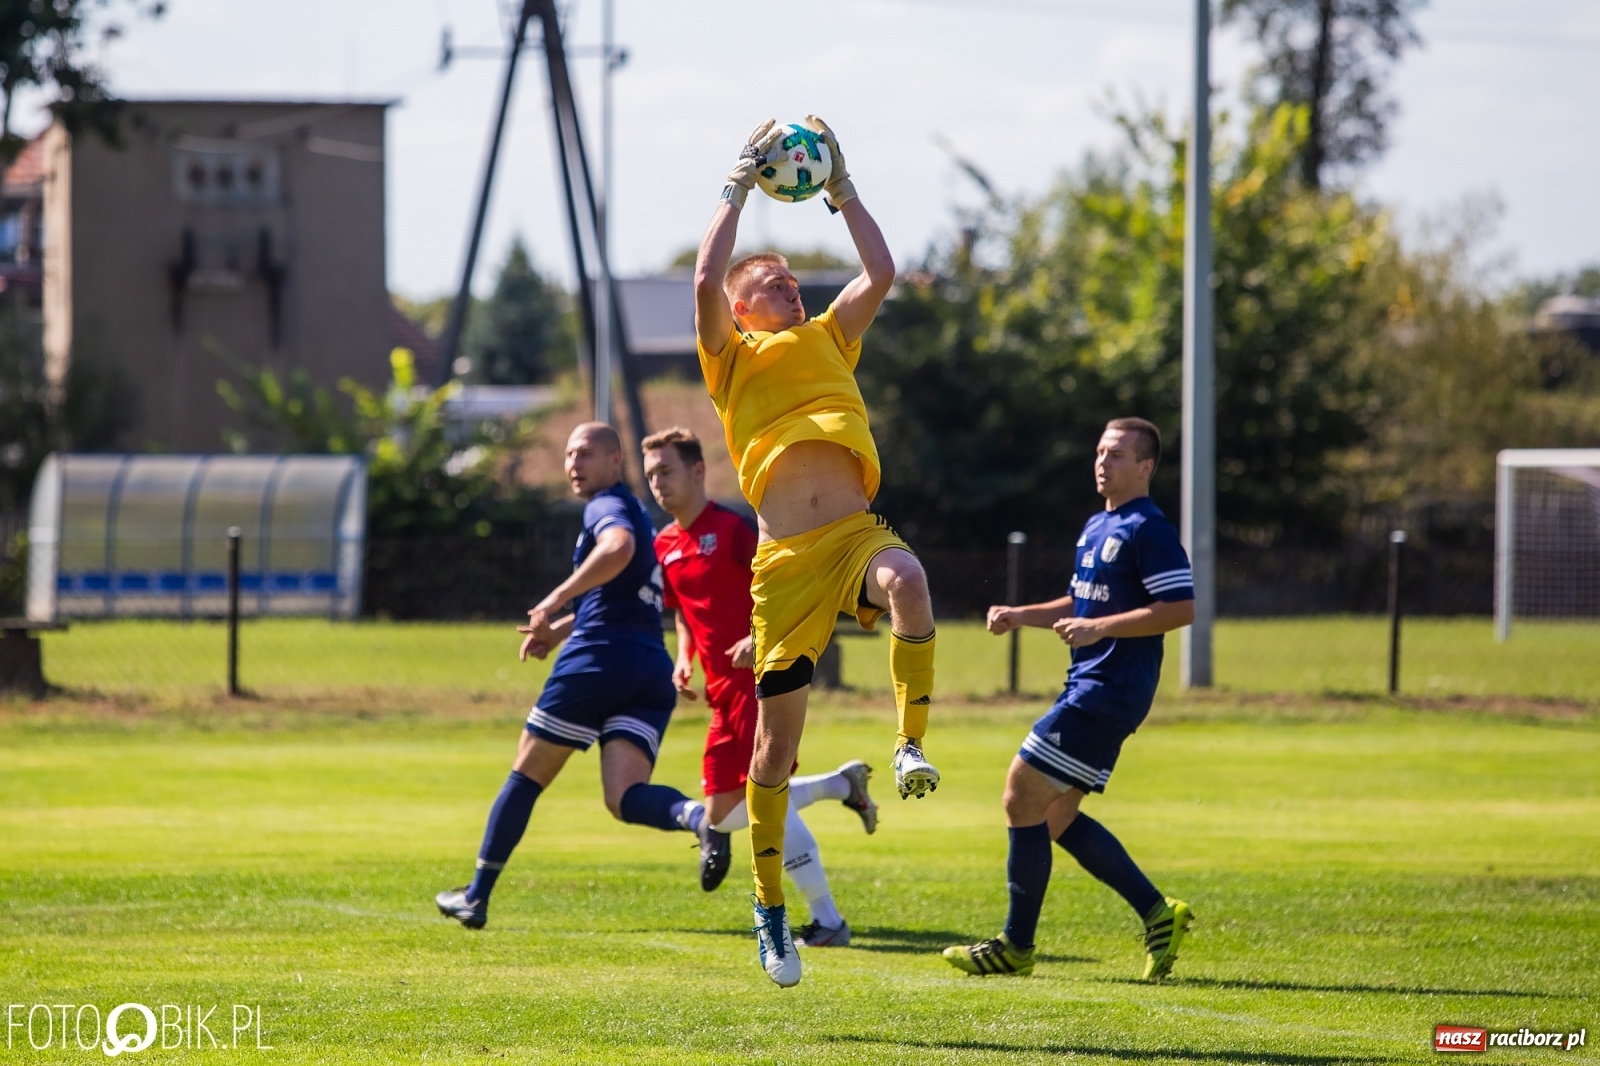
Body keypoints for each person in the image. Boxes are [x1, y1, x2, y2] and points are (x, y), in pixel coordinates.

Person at [693, 116, 940, 986]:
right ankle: (770, 913)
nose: (792, 290)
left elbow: (882, 272)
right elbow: (701, 278)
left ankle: (909, 743)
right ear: (741, 307)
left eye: (795, 281)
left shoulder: (832, 335)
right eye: (773, 283)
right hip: (786, 567)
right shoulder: (729, 361)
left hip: (851, 538)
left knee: (907, 577)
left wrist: (843, 187)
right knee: (771, 754)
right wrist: (734, 184)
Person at [942, 418, 1197, 981]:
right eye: (1100, 452)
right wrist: (1020, 615)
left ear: (1146, 467)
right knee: (1052, 815)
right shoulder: (1097, 525)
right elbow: (1080, 603)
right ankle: (1159, 913)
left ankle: (1015, 946)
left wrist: (1102, 627)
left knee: (1019, 792)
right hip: (1090, 684)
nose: (1102, 463)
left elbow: (1180, 608)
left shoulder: (1147, 528)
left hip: (1110, 690)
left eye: (1117, 455)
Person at [434, 422, 713, 929]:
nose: (573, 464)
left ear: (614, 461)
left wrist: (554, 599)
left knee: (526, 773)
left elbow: (618, 550)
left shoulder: (607, 507)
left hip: (598, 661)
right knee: (624, 797)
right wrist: (561, 628)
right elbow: (623, 591)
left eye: (585, 453)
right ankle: (699, 819)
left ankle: (475, 896)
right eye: (567, 455)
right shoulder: (639, 513)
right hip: (647, 665)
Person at [643, 426, 878, 948]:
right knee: (721, 814)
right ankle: (842, 786)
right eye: (651, 475)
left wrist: (758, 635)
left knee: (759, 801)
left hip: (760, 679)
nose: (658, 483)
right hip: (719, 692)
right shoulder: (664, 543)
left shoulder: (731, 529)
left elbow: (787, 583)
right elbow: (683, 610)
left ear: (698, 470)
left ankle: (828, 920)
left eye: (667, 471)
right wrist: (683, 657)